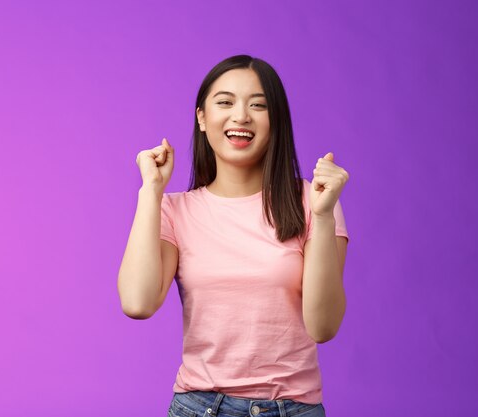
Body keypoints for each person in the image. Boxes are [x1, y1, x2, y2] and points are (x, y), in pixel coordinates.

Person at [118, 55, 350, 417]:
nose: (241, 116)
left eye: (258, 105)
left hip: (292, 409)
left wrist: (321, 217)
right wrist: (150, 191)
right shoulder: (174, 210)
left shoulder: (314, 200)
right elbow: (137, 302)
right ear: (202, 118)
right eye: (225, 102)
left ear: (276, 122)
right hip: (200, 407)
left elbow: (323, 326)